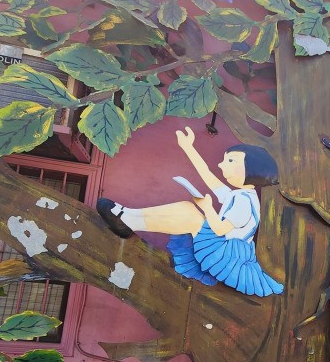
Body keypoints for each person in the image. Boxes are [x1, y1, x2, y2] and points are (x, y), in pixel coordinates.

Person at [97, 126, 284, 297]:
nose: (221, 165)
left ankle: (128, 219)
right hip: (222, 247)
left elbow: (220, 230)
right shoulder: (238, 195)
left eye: (230, 160)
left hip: (226, 257)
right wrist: (187, 147)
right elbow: (208, 176)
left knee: (193, 217)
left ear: (249, 169)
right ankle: (129, 218)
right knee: (186, 208)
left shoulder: (244, 201)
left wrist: (207, 208)